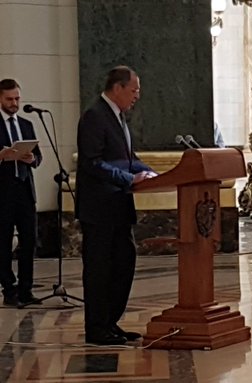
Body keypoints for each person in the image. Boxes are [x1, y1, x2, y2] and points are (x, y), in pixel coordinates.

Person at [75, 66, 157, 345]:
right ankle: (97, 328)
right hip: (99, 210)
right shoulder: (94, 116)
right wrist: (128, 178)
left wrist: (154, 174)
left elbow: (127, 157)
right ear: (118, 88)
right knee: (100, 270)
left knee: (123, 264)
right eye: (133, 90)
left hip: (119, 207)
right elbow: (92, 162)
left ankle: (110, 322)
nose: (136, 96)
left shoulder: (118, 117)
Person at [0, 79, 42, 306]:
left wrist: (32, 158)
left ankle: (26, 289)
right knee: (3, 242)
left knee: (30, 240)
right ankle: (9, 289)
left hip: (25, 190)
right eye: (9, 99)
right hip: (3, 192)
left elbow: (39, 156)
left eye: (17, 98)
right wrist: (2, 155)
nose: (14, 103)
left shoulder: (26, 124)